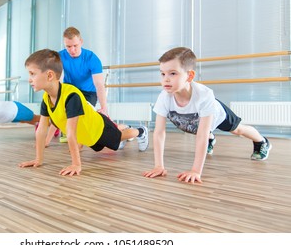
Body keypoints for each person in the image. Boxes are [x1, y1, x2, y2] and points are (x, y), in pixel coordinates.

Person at [143, 47, 272, 184]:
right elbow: (159, 132)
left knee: (238, 129)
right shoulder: (164, 97)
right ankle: (211, 139)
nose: (166, 80)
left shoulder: (204, 96)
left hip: (217, 115)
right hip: (193, 123)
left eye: (173, 73)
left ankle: (262, 141)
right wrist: (159, 166)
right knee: (198, 128)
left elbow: (202, 134)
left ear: (190, 76)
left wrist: (196, 171)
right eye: (162, 74)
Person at [18, 49, 149, 176]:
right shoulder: (46, 99)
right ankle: (123, 129)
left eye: (32, 74)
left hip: (99, 128)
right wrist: (38, 159)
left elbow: (70, 132)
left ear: (50, 75)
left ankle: (141, 131)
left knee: (120, 137)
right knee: (108, 143)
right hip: (87, 136)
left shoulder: (71, 96)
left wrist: (76, 164)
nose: (29, 79)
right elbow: (41, 130)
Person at [45, 27, 108, 145]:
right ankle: (46, 141)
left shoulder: (91, 58)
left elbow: (99, 84)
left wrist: (104, 108)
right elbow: (52, 76)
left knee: (82, 119)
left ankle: (78, 145)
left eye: (75, 45)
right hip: (70, 90)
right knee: (58, 112)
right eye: (68, 46)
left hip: (88, 92)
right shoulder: (60, 56)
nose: (72, 50)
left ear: (81, 42)